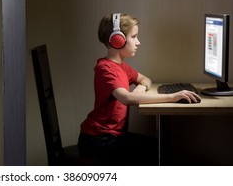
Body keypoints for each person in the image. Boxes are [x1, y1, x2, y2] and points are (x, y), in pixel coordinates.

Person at [78, 13, 200, 165]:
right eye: (134, 37)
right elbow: (126, 98)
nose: (138, 42)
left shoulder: (121, 66)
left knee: (163, 149)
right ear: (118, 40)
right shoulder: (105, 69)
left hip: (112, 136)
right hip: (98, 139)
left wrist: (141, 87)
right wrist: (172, 97)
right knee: (160, 152)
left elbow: (145, 79)